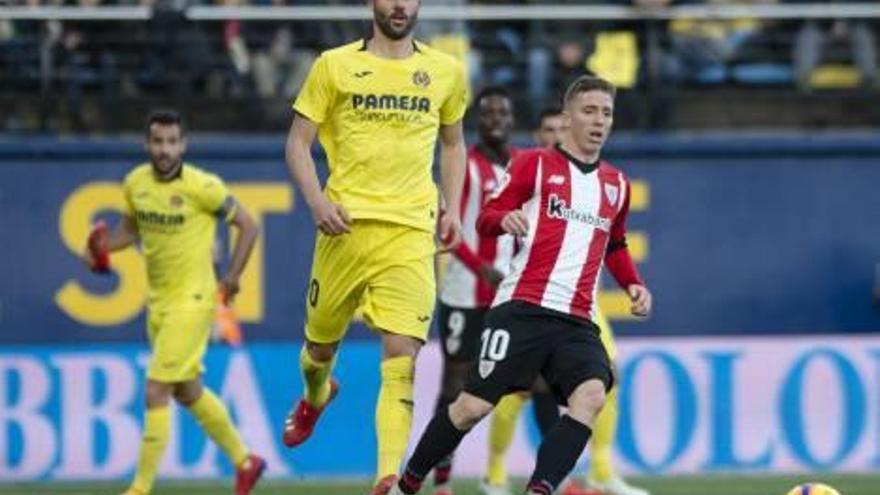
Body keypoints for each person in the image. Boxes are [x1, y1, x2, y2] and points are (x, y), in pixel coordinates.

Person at [393, 75, 652, 495]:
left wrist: (634, 285)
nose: (599, 121)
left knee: (591, 397)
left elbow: (616, 245)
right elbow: (486, 217)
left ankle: (540, 488)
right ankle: (409, 482)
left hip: (577, 318)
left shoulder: (616, 185)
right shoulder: (534, 163)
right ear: (567, 118)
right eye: (589, 111)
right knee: (470, 406)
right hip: (523, 307)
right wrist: (504, 220)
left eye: (606, 113)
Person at [281, 0, 468, 493]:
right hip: (343, 228)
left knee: (401, 355)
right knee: (319, 347)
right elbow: (298, 143)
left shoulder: (445, 71)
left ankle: (388, 475)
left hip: (410, 231)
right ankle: (316, 394)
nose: (400, 5)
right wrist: (317, 202)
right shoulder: (334, 65)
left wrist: (452, 207)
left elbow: (453, 144)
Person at [81, 110, 264, 495]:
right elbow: (128, 232)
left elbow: (249, 223)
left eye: (171, 142)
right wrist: (100, 250)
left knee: (155, 390)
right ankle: (246, 461)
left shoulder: (203, 187)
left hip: (194, 300)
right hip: (159, 303)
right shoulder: (135, 183)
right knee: (186, 390)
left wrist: (232, 276)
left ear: (183, 144)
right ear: (146, 144)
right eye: (157, 142)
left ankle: (140, 488)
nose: (164, 150)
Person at [479, 107, 651, 495]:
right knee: (515, 388)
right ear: (538, 135)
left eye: (561, 127)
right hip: (526, 295)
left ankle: (601, 471)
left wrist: (632, 284)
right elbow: (496, 224)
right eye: (548, 130)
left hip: (580, 302)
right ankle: (494, 475)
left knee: (609, 375)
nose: (556, 135)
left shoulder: (598, 181)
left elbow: (611, 242)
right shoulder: (529, 170)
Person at [431, 85, 517, 495]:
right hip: (465, 293)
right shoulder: (464, 165)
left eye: (502, 113)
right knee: (453, 387)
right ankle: (441, 479)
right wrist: (479, 266)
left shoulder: (523, 166)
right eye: (487, 113)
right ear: (475, 121)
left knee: (536, 382)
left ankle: (545, 478)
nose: (495, 119)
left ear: (513, 119)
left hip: (508, 294)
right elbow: (444, 223)